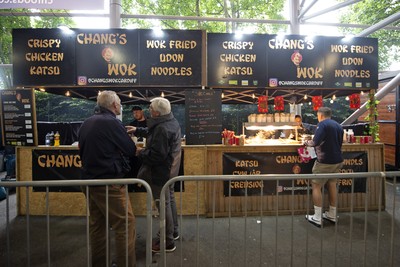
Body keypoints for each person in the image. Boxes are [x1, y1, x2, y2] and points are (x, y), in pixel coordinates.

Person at [78, 90, 137, 267]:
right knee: (125, 224)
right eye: (119, 102)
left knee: (98, 226)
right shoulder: (112, 123)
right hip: (109, 183)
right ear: (113, 105)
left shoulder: (87, 122)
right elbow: (130, 149)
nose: (120, 105)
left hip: (89, 181)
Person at [126, 97, 181, 253]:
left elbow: (157, 155)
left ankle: (167, 241)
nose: (148, 110)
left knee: (163, 205)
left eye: (150, 108)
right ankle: (173, 232)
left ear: (156, 112)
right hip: (170, 170)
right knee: (169, 201)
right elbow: (155, 132)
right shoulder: (171, 121)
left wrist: (140, 152)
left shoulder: (162, 128)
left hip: (160, 173)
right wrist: (137, 129)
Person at [303, 107, 344, 227]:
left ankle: (317, 217)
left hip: (325, 161)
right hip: (337, 160)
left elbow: (315, 142)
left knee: (316, 185)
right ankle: (332, 214)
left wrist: (306, 142)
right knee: (332, 184)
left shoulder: (322, 125)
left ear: (320, 115)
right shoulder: (338, 125)